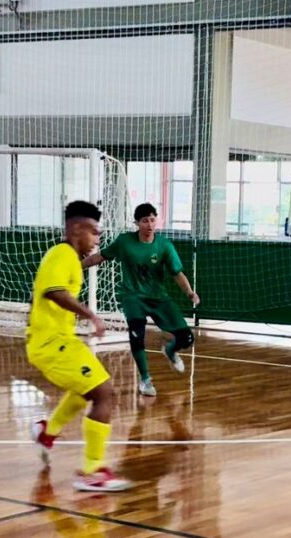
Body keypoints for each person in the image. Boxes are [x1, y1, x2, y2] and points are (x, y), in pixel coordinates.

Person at [27, 200, 131, 492]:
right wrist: (91, 315)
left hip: (60, 341)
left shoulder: (68, 258)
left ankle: (48, 432)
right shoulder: (62, 254)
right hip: (50, 344)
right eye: (95, 233)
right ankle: (92, 470)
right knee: (103, 392)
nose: (98, 240)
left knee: (89, 389)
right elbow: (54, 292)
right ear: (76, 228)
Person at [82, 202, 199, 396]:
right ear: (137, 223)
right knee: (137, 335)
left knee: (186, 338)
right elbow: (99, 257)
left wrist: (189, 292)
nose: (150, 225)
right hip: (132, 297)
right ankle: (145, 380)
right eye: (145, 221)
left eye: (153, 220)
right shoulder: (125, 242)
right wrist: (76, 265)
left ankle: (170, 350)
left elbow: (177, 273)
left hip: (158, 298)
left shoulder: (164, 246)